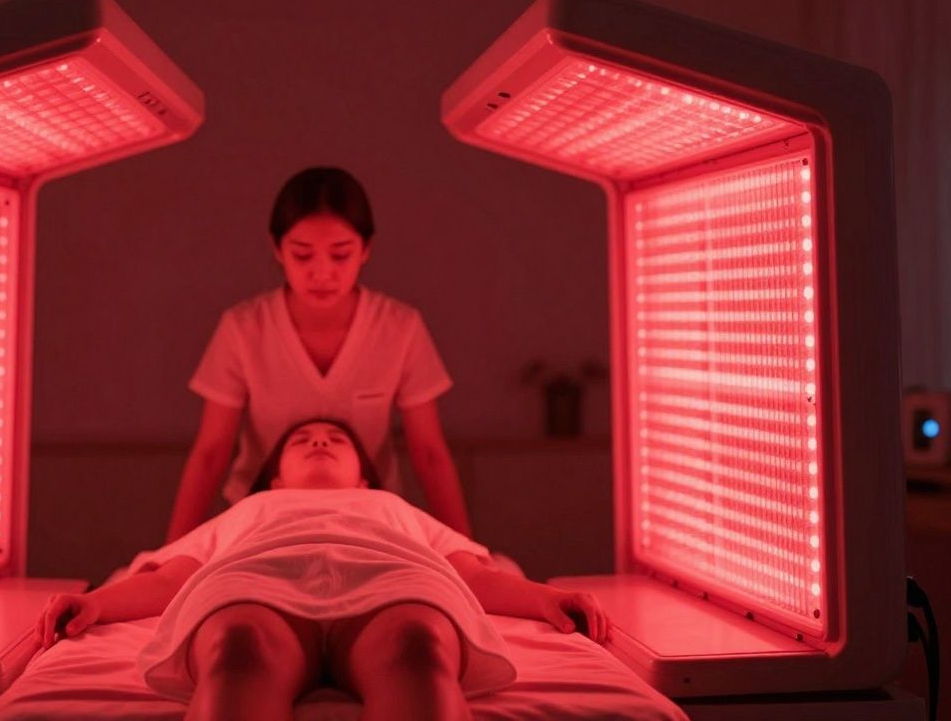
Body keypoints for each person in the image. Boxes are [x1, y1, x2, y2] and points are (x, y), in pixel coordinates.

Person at [38, 419, 609, 721]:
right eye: (302, 440)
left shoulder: (394, 509)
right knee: (238, 648)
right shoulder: (250, 509)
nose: (319, 442)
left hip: (393, 583)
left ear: (364, 478)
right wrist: (98, 604)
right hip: (255, 585)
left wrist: (543, 599)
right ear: (275, 480)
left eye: (336, 439)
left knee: (418, 646)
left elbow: (472, 575)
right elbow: (169, 580)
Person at [167, 166, 471, 542]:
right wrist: (172, 555)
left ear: (366, 250)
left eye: (340, 255)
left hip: (370, 523)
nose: (322, 273)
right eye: (303, 255)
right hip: (260, 523)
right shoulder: (245, 329)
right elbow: (211, 452)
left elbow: (429, 453)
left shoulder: (399, 328)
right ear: (277, 249)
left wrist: (466, 553)